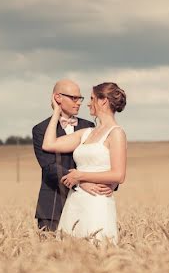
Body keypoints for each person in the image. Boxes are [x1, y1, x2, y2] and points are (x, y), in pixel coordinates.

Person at [42, 82, 127, 243]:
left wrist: (80, 176)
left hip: (97, 202)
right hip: (75, 201)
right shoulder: (87, 132)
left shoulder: (116, 133)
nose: (87, 103)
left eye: (92, 98)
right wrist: (56, 112)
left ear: (103, 101)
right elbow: (49, 144)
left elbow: (119, 175)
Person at [32, 79, 114, 232]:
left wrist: (111, 184)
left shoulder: (89, 126)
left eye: (80, 98)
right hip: (53, 205)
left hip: (86, 202)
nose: (79, 103)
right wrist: (80, 182)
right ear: (58, 98)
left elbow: (102, 157)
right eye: (73, 98)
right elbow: (49, 167)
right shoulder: (40, 130)